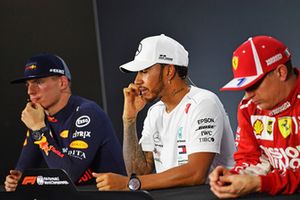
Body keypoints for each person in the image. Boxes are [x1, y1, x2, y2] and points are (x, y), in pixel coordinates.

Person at [92, 34, 236, 191]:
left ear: (169, 71)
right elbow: (140, 172)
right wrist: (129, 119)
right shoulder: (155, 112)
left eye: (144, 71)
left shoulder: (203, 102)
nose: (137, 80)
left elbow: (196, 174)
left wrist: (130, 184)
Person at [4, 53, 126, 191]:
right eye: (28, 84)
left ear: (62, 83)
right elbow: (22, 172)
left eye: (38, 82)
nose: (30, 91)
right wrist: (15, 181)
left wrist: (39, 129)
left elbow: (68, 175)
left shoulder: (87, 113)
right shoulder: (40, 119)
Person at [209, 35, 300, 198]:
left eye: (253, 85)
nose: (248, 95)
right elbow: (251, 158)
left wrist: (260, 183)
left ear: (281, 72)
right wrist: (235, 176)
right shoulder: (248, 107)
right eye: (244, 87)